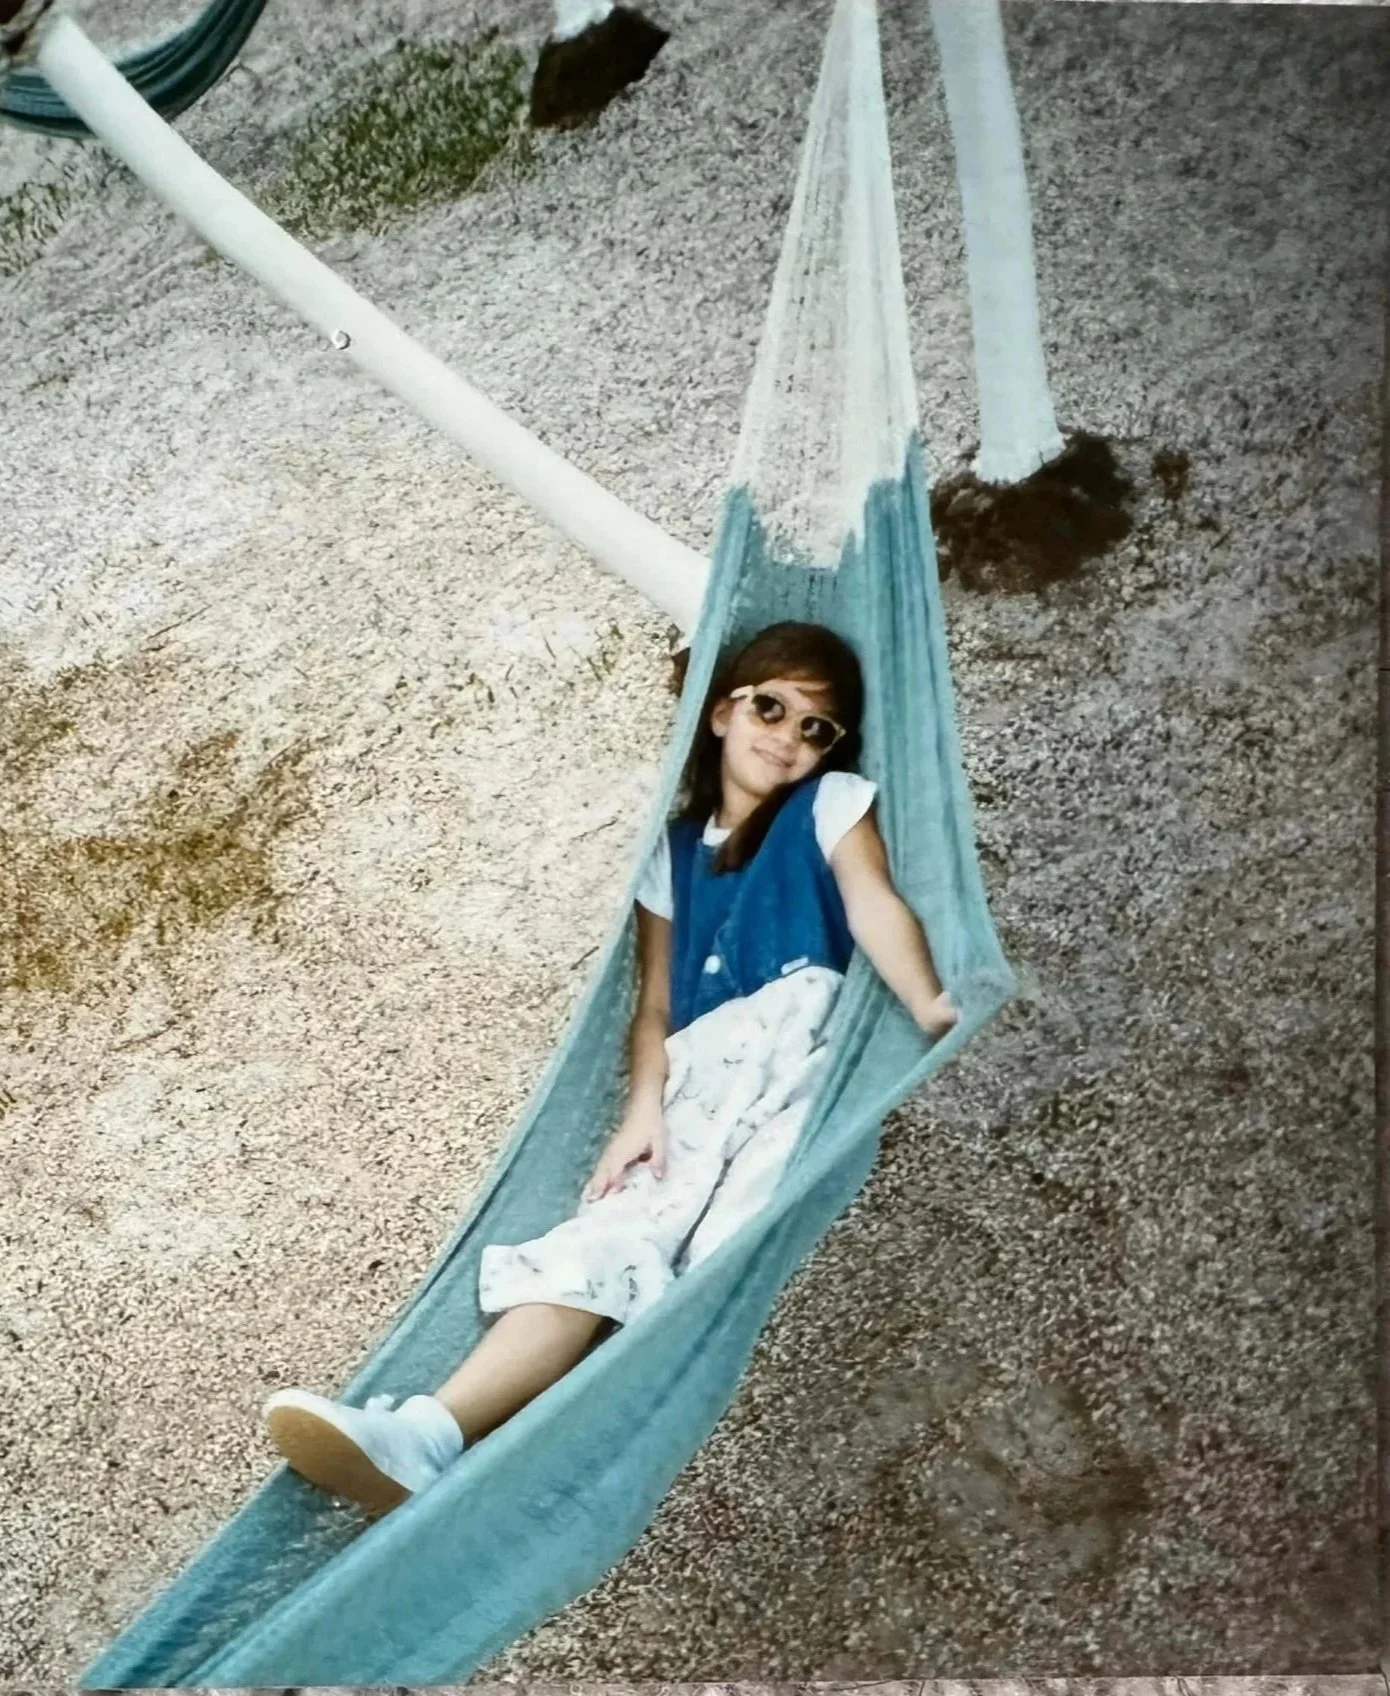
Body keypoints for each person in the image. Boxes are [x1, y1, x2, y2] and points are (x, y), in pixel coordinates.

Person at [262, 621, 958, 1515]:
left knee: (719, 1260)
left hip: (804, 1068)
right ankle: (429, 1435)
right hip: (699, 1075)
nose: (787, 737)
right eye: (770, 708)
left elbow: (871, 902)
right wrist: (642, 1109)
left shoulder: (828, 804)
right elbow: (655, 1005)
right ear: (721, 713)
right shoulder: (672, 854)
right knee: (607, 1243)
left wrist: (928, 1002)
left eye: (814, 728)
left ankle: (536, 1470)